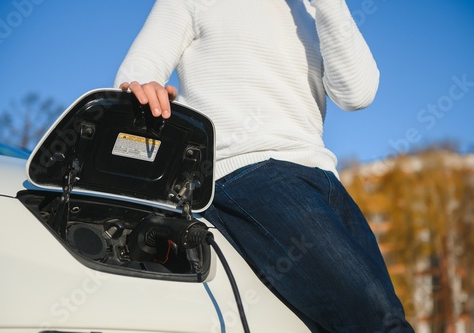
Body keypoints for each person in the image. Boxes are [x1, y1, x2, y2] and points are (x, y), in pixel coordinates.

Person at [115, 0, 414, 332]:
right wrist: (147, 88)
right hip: (249, 174)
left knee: (379, 318)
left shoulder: (312, 9)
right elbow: (136, 75)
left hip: (324, 178)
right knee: (377, 320)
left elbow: (358, 93)